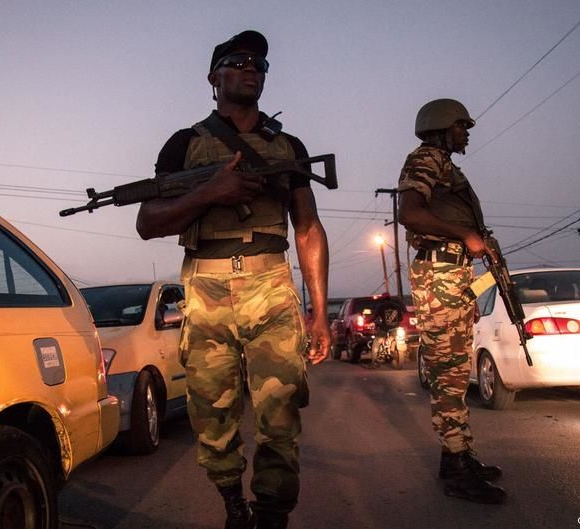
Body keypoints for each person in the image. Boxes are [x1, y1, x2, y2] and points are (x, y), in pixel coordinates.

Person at [136, 30, 331, 529]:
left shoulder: (288, 146)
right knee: (212, 416)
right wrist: (210, 193)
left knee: (281, 414)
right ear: (213, 77)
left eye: (259, 64)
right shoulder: (184, 144)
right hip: (205, 287)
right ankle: (232, 504)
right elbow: (148, 223)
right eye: (238, 61)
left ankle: (271, 514)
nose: (251, 68)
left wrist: (319, 312)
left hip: (270, 283)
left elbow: (307, 228)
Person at [396, 98, 507, 504]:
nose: (467, 133)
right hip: (439, 275)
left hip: (451, 277)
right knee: (449, 375)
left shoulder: (444, 164)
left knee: (457, 373)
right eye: (462, 126)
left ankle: (457, 457)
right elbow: (410, 213)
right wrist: (464, 236)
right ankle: (458, 469)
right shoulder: (426, 159)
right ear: (442, 127)